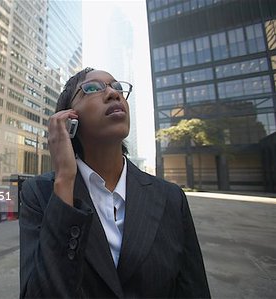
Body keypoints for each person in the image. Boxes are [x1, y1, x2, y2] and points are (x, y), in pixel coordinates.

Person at [19, 68, 211, 298]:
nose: (113, 93)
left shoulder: (171, 197)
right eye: (92, 88)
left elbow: (194, 289)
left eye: (117, 87)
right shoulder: (39, 193)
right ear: (68, 120)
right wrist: (64, 180)